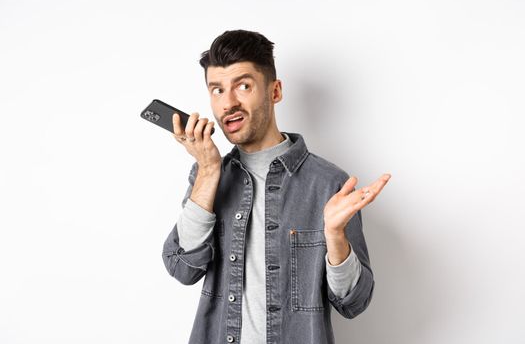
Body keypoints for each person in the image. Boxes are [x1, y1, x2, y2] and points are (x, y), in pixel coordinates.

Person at [162, 29, 391, 344]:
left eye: (243, 85)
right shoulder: (206, 176)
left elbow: (354, 302)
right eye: (217, 90)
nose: (228, 103)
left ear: (275, 91)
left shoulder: (328, 184)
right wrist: (210, 169)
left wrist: (336, 238)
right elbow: (182, 268)